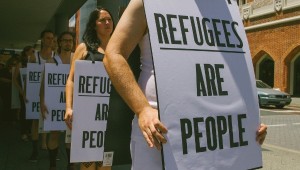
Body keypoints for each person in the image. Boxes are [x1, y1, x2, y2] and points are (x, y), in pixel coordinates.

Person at [103, 0, 268, 169]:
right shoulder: (148, 2)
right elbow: (113, 55)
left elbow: (232, 69)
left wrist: (250, 122)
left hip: (215, 136)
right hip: (159, 130)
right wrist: (142, 109)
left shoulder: (226, 8)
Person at [64, 7, 113, 170]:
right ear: (93, 25)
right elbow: (71, 80)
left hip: (111, 116)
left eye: (110, 19)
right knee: (88, 164)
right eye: (102, 20)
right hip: (87, 116)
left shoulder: (117, 49)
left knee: (106, 163)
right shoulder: (84, 48)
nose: (107, 22)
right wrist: (69, 107)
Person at [40, 31, 75, 170]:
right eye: (65, 40)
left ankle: (70, 165)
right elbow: (43, 85)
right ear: (59, 43)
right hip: (54, 103)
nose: (68, 43)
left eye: (70, 41)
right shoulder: (51, 61)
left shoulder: (76, 61)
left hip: (71, 104)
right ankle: (52, 164)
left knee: (70, 135)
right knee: (54, 133)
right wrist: (42, 103)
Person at [29, 29, 55, 162]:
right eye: (48, 38)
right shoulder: (35, 57)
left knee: (48, 119)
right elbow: (29, 75)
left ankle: (46, 144)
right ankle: (34, 150)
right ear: (42, 39)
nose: (50, 40)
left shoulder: (56, 56)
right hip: (35, 93)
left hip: (49, 93)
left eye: (52, 38)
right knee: (35, 121)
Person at [12, 46, 35, 142]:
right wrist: (21, 91)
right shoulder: (21, 64)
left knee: (32, 112)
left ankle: (29, 131)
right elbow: (14, 79)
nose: (33, 53)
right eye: (32, 51)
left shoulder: (34, 64)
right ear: (26, 52)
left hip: (32, 92)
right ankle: (23, 132)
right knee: (24, 112)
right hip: (23, 93)